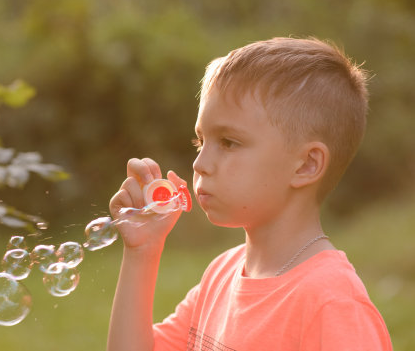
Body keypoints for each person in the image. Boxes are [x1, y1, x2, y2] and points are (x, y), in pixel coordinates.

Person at [106, 37, 393, 351]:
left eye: (229, 142)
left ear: (306, 165)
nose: (199, 163)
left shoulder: (333, 304)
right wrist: (142, 252)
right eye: (200, 142)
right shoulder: (221, 274)